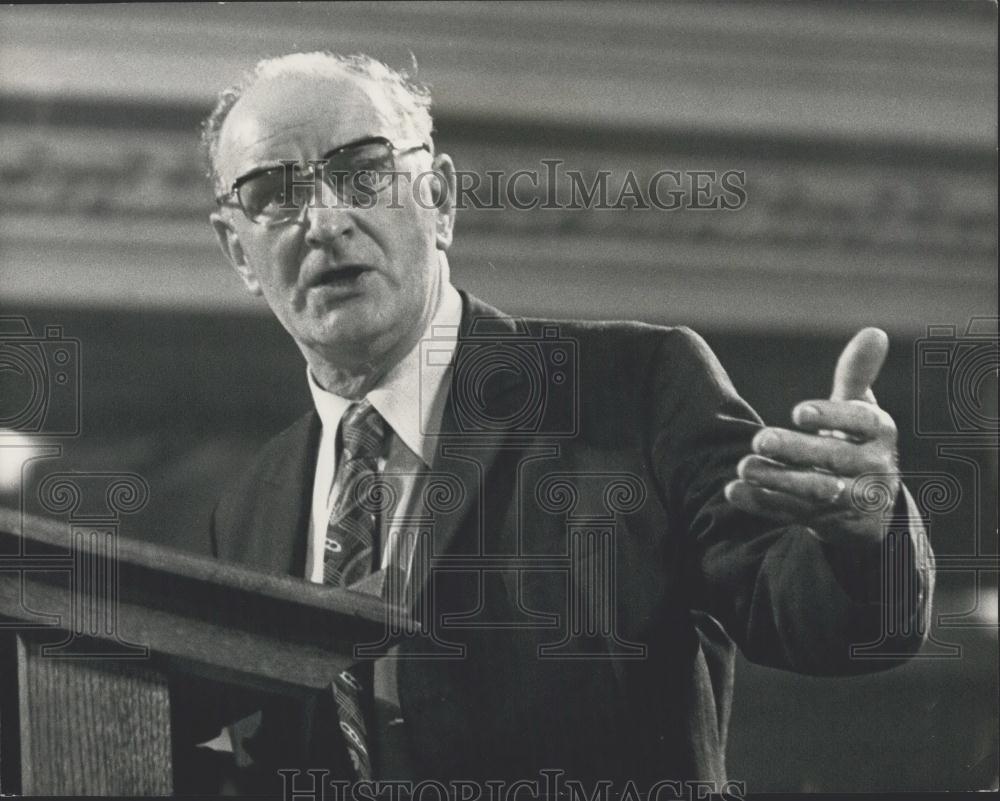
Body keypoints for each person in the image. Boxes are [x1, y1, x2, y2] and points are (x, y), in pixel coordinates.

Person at [174, 51, 934, 795]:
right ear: (238, 251)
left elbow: (813, 617)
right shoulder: (249, 505)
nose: (326, 219)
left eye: (363, 172)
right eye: (276, 192)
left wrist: (862, 533)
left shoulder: (634, 385)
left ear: (438, 199)